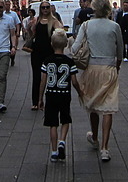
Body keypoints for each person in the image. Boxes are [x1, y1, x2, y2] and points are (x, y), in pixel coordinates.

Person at [73, 0, 124, 163]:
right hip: (109, 68)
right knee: (108, 108)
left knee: (94, 105)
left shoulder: (87, 25)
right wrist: (116, 66)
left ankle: (95, 138)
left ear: (94, 8)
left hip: (91, 69)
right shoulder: (114, 26)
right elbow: (120, 52)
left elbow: (75, 48)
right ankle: (105, 148)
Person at [38, 29, 83, 163]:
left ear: (52, 44)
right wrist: (80, 92)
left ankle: (53, 152)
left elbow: (43, 81)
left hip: (51, 94)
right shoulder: (69, 62)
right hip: (64, 94)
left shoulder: (47, 61)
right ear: (65, 45)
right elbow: (74, 81)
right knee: (65, 119)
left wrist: (40, 98)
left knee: (52, 123)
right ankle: (62, 141)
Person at [28, 1, 64, 110]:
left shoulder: (53, 21)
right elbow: (32, 34)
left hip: (49, 52)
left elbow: (61, 33)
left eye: (47, 7)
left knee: (51, 77)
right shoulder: (37, 20)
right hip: (37, 52)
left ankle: (50, 100)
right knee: (36, 77)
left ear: (50, 8)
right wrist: (30, 29)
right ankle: (35, 102)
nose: (45, 9)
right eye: (43, 7)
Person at [3, 0, 22, 66]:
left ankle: (12, 59)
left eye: (8, 5)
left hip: (12, 33)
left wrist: (18, 31)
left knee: (12, 46)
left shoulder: (13, 14)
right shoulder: (2, 14)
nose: (7, 6)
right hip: (5, 33)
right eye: (6, 5)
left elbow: (17, 23)